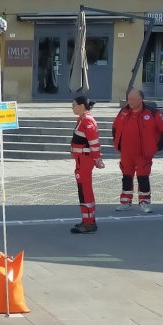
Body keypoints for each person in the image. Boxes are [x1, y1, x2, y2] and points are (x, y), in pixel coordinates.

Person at [112, 88, 163, 214]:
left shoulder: (152, 113)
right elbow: (115, 127)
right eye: (129, 99)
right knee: (126, 177)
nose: (130, 102)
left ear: (141, 100)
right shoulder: (123, 112)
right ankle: (125, 201)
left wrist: (159, 146)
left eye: (133, 100)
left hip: (143, 154)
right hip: (126, 153)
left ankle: (144, 202)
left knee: (143, 177)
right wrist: (118, 143)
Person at [70, 96, 105, 234]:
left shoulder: (87, 121)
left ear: (81, 106)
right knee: (83, 190)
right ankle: (88, 220)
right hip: (81, 160)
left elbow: (94, 142)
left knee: (85, 191)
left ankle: (89, 223)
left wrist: (97, 159)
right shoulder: (83, 120)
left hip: (84, 161)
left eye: (73, 105)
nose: (72, 108)